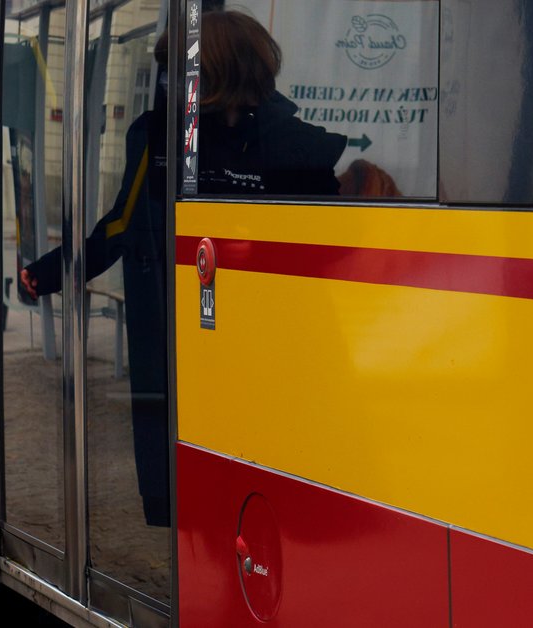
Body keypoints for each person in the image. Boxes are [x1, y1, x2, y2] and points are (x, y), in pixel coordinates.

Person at [19, 34, 172, 527]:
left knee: (157, 410)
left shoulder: (161, 132)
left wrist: (50, 271)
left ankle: (165, 511)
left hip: (163, 311)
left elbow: (123, 225)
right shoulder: (293, 134)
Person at [194, 9, 347, 196]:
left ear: (226, 72)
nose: (167, 81)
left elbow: (324, 222)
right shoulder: (164, 133)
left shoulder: (302, 149)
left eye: (186, 69)